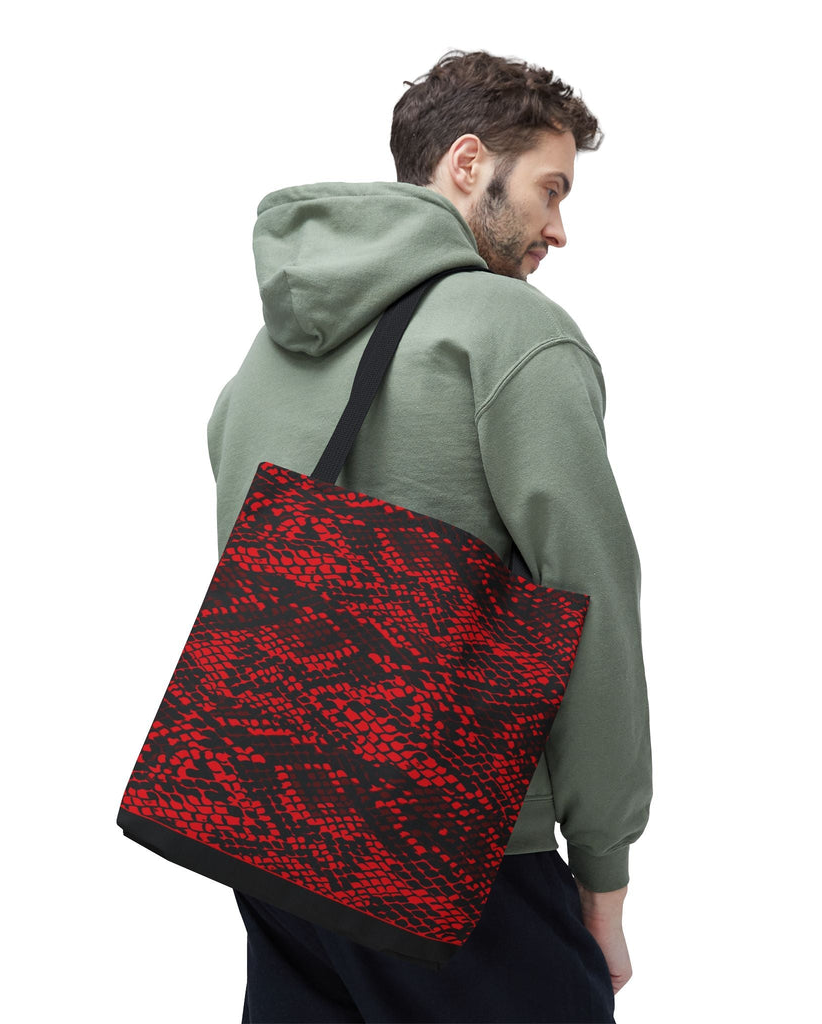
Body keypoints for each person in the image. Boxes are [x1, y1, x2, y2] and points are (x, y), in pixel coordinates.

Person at [207, 49, 652, 1024]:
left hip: (269, 822)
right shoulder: (508, 329)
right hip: (456, 849)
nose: (559, 228)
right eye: (549, 188)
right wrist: (604, 869)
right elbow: (591, 609)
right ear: (466, 163)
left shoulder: (270, 349)